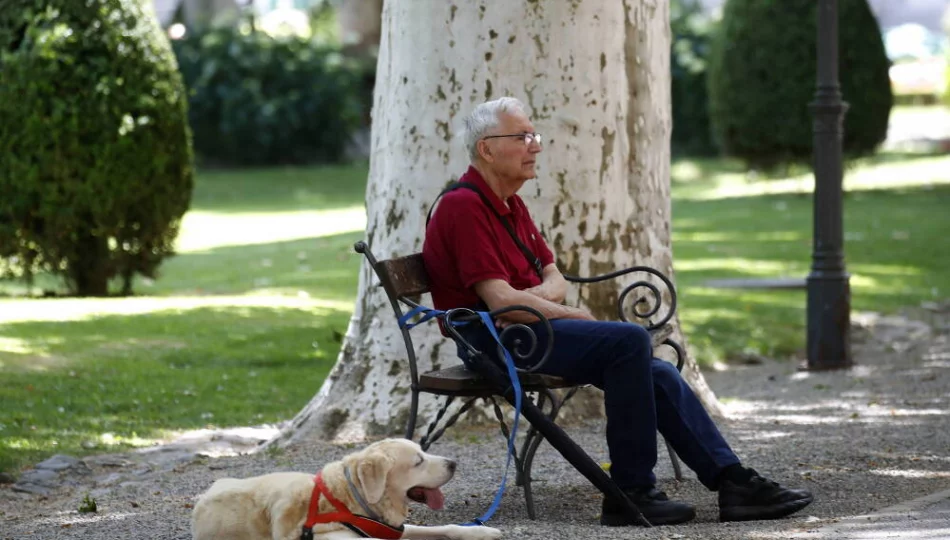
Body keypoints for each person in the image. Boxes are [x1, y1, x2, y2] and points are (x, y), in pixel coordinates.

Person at [421, 97, 813, 526]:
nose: (535, 146)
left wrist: (538, 299)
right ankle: (631, 491)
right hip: (497, 344)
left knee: (657, 371)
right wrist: (570, 315)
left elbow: (556, 279)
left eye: (535, 136)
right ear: (487, 149)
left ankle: (733, 482)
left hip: (529, 332)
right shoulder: (464, 206)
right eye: (523, 137)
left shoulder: (511, 205)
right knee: (627, 341)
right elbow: (500, 302)